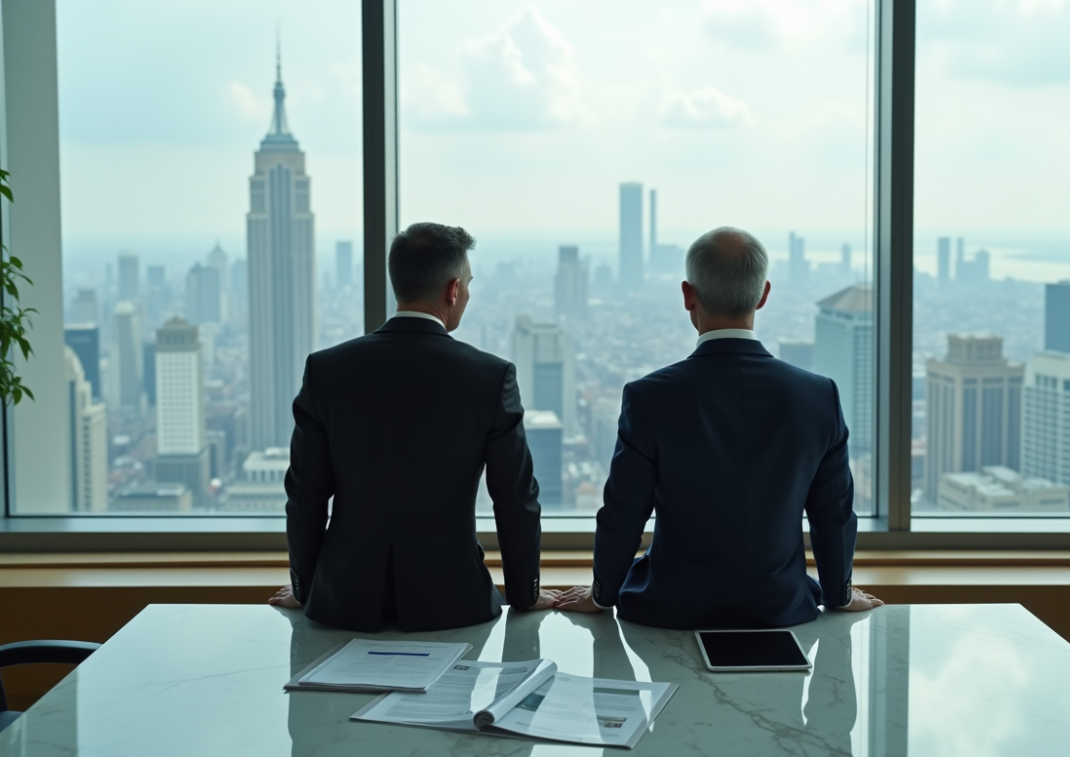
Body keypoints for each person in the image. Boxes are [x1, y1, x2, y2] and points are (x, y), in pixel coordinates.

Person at [555, 227, 882, 626]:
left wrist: (601, 594)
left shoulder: (649, 397)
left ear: (687, 295)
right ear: (763, 295)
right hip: (781, 609)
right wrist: (839, 595)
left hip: (670, 609)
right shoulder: (818, 396)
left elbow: (623, 515)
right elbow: (834, 516)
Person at [270, 222, 558, 632]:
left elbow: (305, 496)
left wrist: (305, 588)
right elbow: (514, 499)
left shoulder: (325, 370)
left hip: (343, 602)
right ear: (453, 289)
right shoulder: (490, 377)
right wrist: (526, 594)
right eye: (468, 284)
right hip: (453, 604)